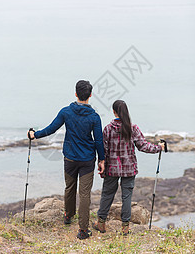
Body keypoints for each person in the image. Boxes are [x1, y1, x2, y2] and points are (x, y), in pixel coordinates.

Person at [28, 80, 105, 240]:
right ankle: (83, 230)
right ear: (90, 95)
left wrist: (35, 134)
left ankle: (68, 215)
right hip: (87, 160)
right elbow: (98, 141)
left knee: (69, 188)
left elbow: (51, 129)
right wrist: (102, 160)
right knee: (84, 194)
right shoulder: (94, 117)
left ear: (76, 94)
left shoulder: (66, 112)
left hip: (70, 158)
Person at [92, 100, 165, 235]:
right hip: (129, 168)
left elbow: (103, 150)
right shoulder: (133, 128)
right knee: (127, 197)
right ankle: (125, 228)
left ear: (113, 112)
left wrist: (101, 163)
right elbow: (143, 146)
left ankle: (101, 223)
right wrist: (158, 148)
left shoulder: (108, 129)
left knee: (107, 194)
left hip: (112, 168)